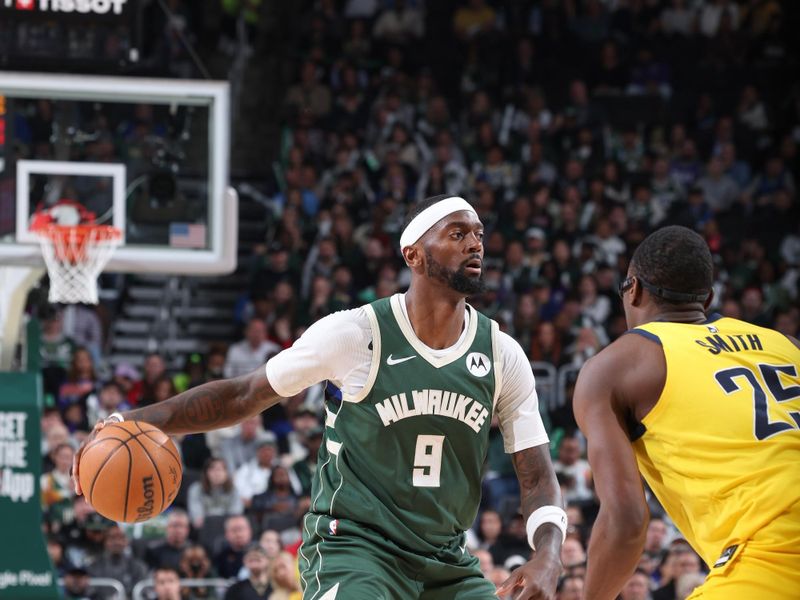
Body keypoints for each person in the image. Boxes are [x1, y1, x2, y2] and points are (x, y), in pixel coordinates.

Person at [75, 195, 565, 599]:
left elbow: (537, 474)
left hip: (446, 561)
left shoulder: (501, 354)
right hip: (353, 549)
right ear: (413, 254)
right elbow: (245, 393)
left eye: (478, 233)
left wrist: (548, 550)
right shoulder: (355, 334)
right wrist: (132, 419)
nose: (475, 242)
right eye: (457, 233)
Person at [573, 225, 800, 599]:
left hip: (771, 559)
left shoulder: (619, 366)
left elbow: (626, 521)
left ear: (634, 289)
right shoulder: (784, 344)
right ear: (707, 299)